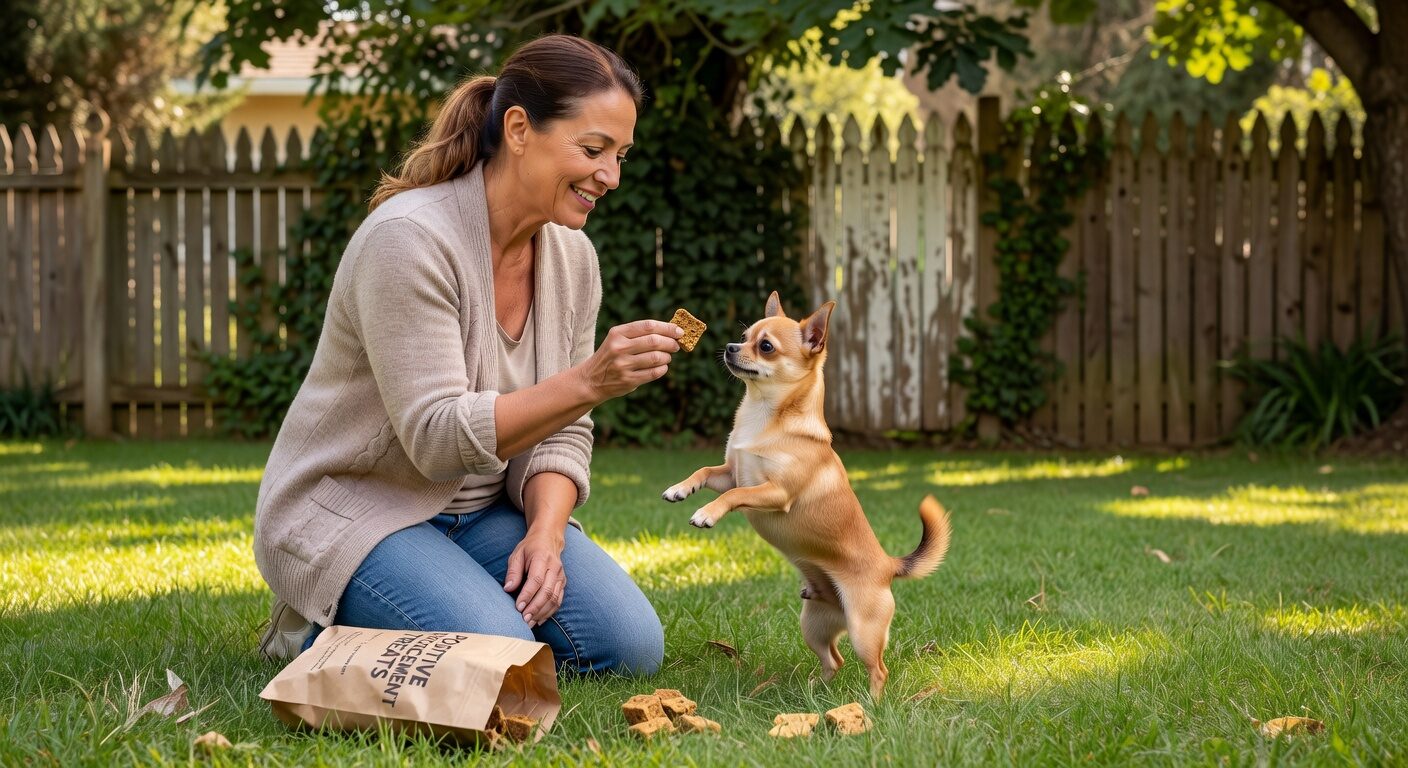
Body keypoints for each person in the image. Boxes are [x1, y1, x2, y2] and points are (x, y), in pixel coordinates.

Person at [253, 34, 679, 675]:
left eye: (620, 155)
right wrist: (590, 381)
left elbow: (564, 434)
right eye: (592, 150)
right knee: (497, 652)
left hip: (482, 515)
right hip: (357, 509)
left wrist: (546, 535)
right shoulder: (409, 239)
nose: (610, 176)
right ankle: (314, 629)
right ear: (519, 129)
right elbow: (435, 439)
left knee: (629, 646)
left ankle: (438, 604)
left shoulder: (573, 258)